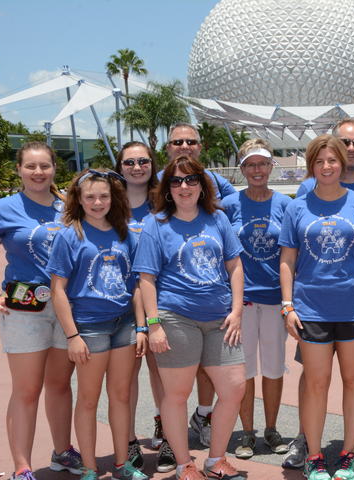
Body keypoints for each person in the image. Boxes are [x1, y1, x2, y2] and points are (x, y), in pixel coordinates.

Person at [0, 142, 79, 480]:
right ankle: (22, 467)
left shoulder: (68, 206)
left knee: (60, 385)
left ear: (54, 168)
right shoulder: (4, 208)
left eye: (44, 166)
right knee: (26, 390)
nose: (38, 172)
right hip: (24, 310)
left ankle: (62, 451)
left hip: (66, 308)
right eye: (31, 167)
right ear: (19, 170)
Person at [285, 119, 354, 470]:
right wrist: (287, 305)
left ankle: (349, 452)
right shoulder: (297, 205)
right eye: (319, 162)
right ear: (312, 166)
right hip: (311, 307)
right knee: (317, 384)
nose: (327, 166)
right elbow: (288, 258)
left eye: (332, 160)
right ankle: (315, 456)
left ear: (342, 162)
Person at [134, 156, 247, 480]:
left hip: (220, 319)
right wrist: (153, 325)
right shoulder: (157, 224)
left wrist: (237, 310)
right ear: (168, 188)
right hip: (176, 316)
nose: (184, 186)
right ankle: (184, 464)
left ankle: (215, 460)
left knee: (234, 388)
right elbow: (146, 278)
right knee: (177, 395)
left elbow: (235, 265)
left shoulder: (217, 219)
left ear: (202, 184)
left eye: (191, 179)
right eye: (176, 181)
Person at [48, 168, 148, 480]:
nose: (97, 202)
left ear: (113, 198)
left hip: (124, 326)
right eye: (90, 196)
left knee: (120, 397)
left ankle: (122, 464)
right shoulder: (70, 235)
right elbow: (58, 290)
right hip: (89, 328)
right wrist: (73, 335)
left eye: (103, 196)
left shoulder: (124, 234)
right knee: (89, 400)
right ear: (78, 199)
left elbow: (136, 285)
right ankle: (90, 468)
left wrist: (142, 326)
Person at [160, 122, 236, 446]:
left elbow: (234, 223)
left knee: (215, 373)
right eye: (178, 141)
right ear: (168, 147)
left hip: (213, 301)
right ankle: (166, 435)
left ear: (200, 146)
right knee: (168, 380)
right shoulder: (159, 186)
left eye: (191, 141)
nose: (185, 146)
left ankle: (203, 414)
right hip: (170, 300)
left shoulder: (219, 188)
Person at [221, 139, 291, 460]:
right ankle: (247, 431)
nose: (257, 170)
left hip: (276, 299)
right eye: (250, 164)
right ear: (242, 169)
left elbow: (293, 254)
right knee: (245, 370)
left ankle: (271, 428)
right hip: (242, 301)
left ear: (271, 166)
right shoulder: (230, 205)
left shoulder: (285, 205)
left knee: (274, 368)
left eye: (262, 163)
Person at [114, 142, 176, 473]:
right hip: (118, 304)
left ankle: (168, 437)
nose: (137, 167)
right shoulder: (108, 202)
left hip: (157, 303)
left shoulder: (164, 202)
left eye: (143, 161)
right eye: (129, 162)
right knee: (125, 381)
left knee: (162, 376)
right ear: (119, 166)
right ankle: (129, 442)